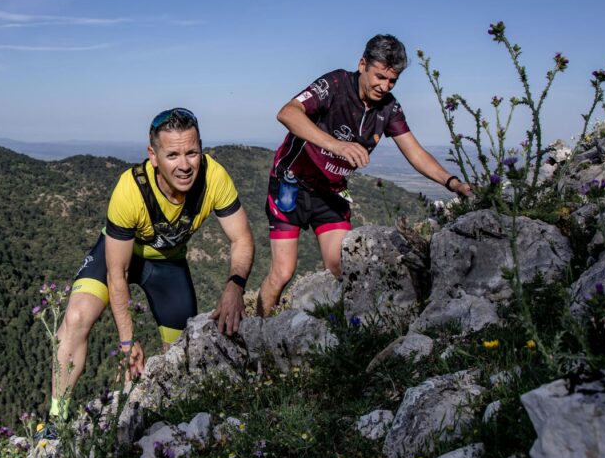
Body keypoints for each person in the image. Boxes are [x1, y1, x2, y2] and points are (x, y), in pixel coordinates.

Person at [50, 107, 254, 421]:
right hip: (121, 256)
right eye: (172, 155)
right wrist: (128, 342)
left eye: (192, 152)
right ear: (153, 155)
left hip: (168, 265)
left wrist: (235, 285)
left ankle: (160, 416)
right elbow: (117, 273)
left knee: (177, 355)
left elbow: (241, 238)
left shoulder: (214, 177)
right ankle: (56, 420)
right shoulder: (130, 190)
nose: (185, 165)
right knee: (76, 317)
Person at [257, 34, 474, 316]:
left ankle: (352, 333)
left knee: (342, 264)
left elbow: (415, 152)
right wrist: (337, 145)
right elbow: (288, 113)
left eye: (392, 81)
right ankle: (258, 337)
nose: (384, 86)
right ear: (362, 64)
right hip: (291, 185)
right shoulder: (335, 84)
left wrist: (452, 182)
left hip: (330, 193)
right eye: (380, 76)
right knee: (283, 272)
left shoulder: (389, 108)